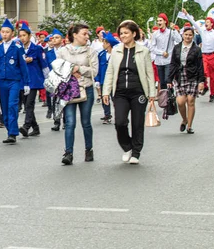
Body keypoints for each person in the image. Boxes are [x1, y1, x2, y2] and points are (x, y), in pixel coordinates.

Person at [103, 20, 156, 165]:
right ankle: (127, 147)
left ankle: (136, 152)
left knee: (137, 123)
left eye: (126, 33)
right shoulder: (116, 50)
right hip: (120, 92)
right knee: (120, 122)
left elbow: (149, 73)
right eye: (121, 33)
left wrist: (152, 94)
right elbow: (110, 71)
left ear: (134, 34)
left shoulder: (143, 51)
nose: (123, 36)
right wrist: (106, 91)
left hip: (138, 92)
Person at [56, 24, 98, 165]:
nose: (87, 36)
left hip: (86, 88)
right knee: (70, 122)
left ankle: (88, 149)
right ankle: (68, 153)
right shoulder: (62, 51)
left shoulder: (90, 51)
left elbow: (94, 71)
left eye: (88, 34)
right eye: (84, 34)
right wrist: (70, 70)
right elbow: (58, 69)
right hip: (68, 90)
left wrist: (78, 68)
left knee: (85, 122)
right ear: (74, 35)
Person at [0, 19, 30, 144]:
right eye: (3, 32)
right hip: (2, 81)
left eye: (7, 32)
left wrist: (26, 83)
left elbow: (23, 66)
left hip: (14, 81)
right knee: (4, 108)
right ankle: (10, 130)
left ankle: (12, 133)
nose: (5, 34)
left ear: (12, 33)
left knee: (12, 105)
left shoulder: (17, 47)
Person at [167, 26, 205, 134]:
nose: (188, 37)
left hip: (192, 76)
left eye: (190, 35)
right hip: (180, 76)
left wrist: (201, 81)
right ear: (182, 35)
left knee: (190, 101)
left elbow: (200, 66)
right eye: (186, 34)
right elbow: (173, 63)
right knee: (180, 101)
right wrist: (169, 79)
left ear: (193, 36)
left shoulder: (196, 49)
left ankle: (189, 125)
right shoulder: (177, 48)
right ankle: (184, 119)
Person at [182, 7, 214, 102]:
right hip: (204, 55)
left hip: (212, 55)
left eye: (208, 22)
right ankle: (205, 86)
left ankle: (212, 93)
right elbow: (194, 23)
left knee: (213, 76)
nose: (206, 23)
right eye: (205, 22)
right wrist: (187, 14)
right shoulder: (202, 31)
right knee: (203, 72)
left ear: (212, 24)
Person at [18, 22, 47, 138]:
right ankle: (36, 128)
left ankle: (26, 126)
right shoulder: (18, 49)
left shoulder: (37, 48)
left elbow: (43, 64)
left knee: (29, 103)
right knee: (26, 104)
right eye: (20, 36)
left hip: (34, 80)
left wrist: (47, 79)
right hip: (22, 80)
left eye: (24, 35)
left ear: (29, 36)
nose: (22, 38)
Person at [150, 13, 181, 90]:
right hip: (159, 61)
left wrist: (174, 29)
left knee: (168, 80)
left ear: (165, 21)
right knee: (162, 82)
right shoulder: (155, 34)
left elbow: (179, 40)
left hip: (169, 61)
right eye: (158, 21)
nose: (159, 22)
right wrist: (161, 52)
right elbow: (152, 47)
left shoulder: (170, 32)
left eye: (160, 20)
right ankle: (164, 98)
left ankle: (170, 98)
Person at [96, 31, 120, 125]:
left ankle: (119, 114)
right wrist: (97, 79)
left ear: (109, 44)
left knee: (115, 98)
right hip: (103, 79)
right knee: (104, 98)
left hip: (114, 80)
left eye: (104, 42)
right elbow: (98, 68)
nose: (103, 44)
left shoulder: (117, 54)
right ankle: (107, 115)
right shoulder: (101, 54)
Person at [46, 29, 64, 130]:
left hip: (64, 78)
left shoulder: (65, 50)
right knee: (55, 100)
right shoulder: (49, 52)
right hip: (53, 78)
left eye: (57, 37)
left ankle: (66, 120)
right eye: (53, 38)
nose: (54, 40)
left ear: (62, 39)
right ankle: (56, 121)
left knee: (64, 100)